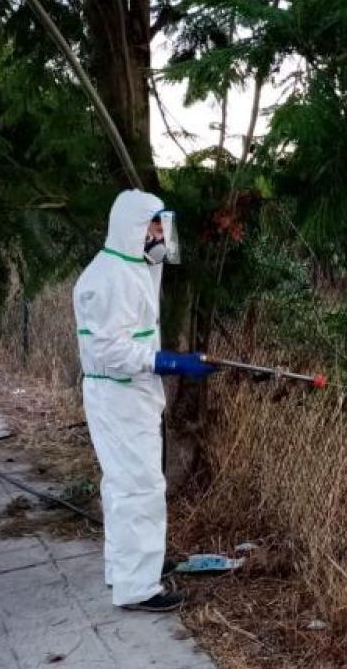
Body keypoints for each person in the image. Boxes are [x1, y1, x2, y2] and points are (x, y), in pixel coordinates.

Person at [72, 189, 219, 612]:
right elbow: (108, 350)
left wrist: (165, 362)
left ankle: (129, 567)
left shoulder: (132, 267)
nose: (162, 235)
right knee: (140, 487)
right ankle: (139, 586)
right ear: (134, 226)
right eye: (157, 225)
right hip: (118, 395)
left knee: (124, 484)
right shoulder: (110, 277)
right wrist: (167, 361)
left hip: (127, 395)